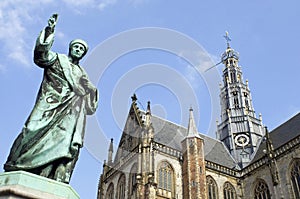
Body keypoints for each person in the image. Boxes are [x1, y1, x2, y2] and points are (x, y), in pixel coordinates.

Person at [4, 14, 98, 183]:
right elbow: (41, 56)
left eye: (81, 49)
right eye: (76, 47)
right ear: (70, 48)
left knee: (64, 146)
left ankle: (50, 176)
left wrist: (92, 90)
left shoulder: (83, 74)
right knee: (30, 130)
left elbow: (90, 108)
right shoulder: (57, 59)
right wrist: (49, 32)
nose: (78, 50)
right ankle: (16, 164)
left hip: (71, 115)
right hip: (49, 103)